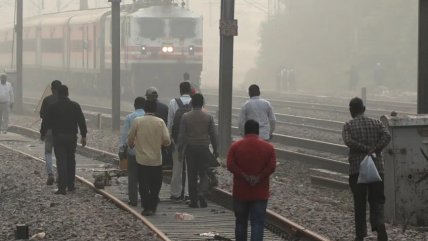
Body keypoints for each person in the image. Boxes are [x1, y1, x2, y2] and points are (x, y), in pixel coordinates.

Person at [342, 97, 391, 241]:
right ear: (364, 109)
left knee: (359, 202)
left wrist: (364, 149)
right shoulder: (376, 123)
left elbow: (348, 141)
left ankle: (360, 235)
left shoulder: (348, 125)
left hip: (357, 170)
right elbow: (387, 136)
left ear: (351, 111)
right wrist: (374, 149)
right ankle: (380, 226)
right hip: (377, 169)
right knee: (377, 200)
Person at [227, 120, 276, 241]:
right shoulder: (269, 147)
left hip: (240, 192)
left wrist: (244, 176)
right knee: (258, 223)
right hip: (260, 192)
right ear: (258, 131)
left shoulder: (235, 146)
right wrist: (259, 177)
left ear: (245, 131)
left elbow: (230, 165)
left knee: (240, 222)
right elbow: (272, 166)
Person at [40, 85, 87, 195]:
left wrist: (43, 133)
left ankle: (62, 188)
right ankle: (71, 186)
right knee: (71, 159)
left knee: (61, 161)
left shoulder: (53, 106)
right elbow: (81, 121)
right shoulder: (75, 105)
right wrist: (83, 136)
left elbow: (45, 121)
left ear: (57, 93)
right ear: (67, 93)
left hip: (59, 136)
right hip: (72, 137)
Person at [127, 100, 171, 216]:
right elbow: (167, 140)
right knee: (156, 184)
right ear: (155, 110)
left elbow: (130, 137)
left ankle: (147, 207)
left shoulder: (137, 121)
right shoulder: (160, 122)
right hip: (156, 159)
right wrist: (162, 144)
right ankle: (153, 204)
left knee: (143, 184)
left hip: (142, 159)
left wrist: (131, 145)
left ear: (145, 109)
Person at [177, 93, 218, 208]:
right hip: (204, 148)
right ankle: (202, 193)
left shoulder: (185, 116)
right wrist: (215, 149)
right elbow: (214, 135)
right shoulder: (208, 117)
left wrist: (180, 151)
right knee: (204, 173)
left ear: (192, 103)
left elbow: (181, 135)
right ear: (202, 103)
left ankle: (193, 201)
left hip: (190, 148)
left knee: (191, 174)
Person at [118, 97, 145, 206]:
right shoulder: (151, 118)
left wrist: (121, 149)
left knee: (132, 177)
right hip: (147, 152)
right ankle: (145, 198)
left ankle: (133, 200)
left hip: (133, 151)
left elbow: (125, 135)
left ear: (134, 105)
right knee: (145, 176)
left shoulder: (130, 117)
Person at [168, 81, 192, 202]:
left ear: (180, 90)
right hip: (191, 141)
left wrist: (170, 139)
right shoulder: (195, 102)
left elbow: (170, 122)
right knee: (190, 168)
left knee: (177, 167)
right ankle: (188, 194)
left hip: (177, 140)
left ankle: (176, 194)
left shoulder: (173, 102)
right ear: (190, 90)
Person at [39, 80, 62, 185]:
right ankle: (60, 176)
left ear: (52, 89)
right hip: (61, 132)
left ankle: (50, 174)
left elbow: (43, 116)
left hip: (49, 131)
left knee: (48, 153)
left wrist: (42, 132)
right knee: (60, 154)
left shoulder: (47, 100)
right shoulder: (64, 100)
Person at [145, 87, 172, 168]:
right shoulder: (165, 107)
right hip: (161, 138)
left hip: (148, 139)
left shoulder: (144, 107)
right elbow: (169, 123)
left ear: (147, 97)